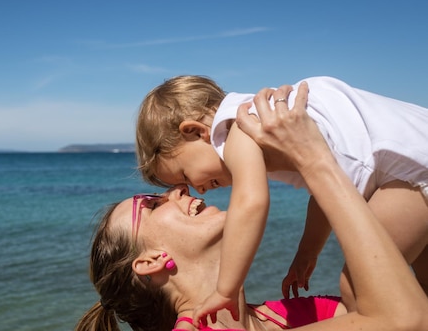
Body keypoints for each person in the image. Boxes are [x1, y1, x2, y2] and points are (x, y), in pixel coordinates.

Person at [75, 85, 428, 331]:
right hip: (410, 171)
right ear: (149, 262)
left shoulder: (238, 130)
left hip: (410, 171)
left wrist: (227, 290)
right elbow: (400, 317)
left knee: (359, 290)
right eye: (155, 202)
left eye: (181, 178)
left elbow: (252, 201)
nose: (187, 191)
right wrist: (307, 251)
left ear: (197, 131)